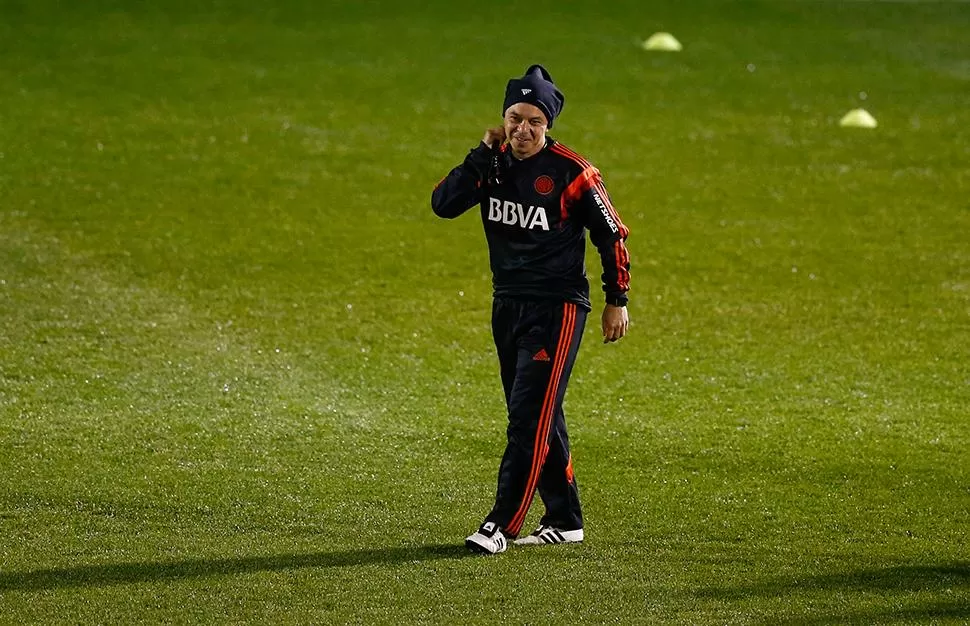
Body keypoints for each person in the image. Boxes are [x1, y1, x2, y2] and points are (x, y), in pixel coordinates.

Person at [431, 64, 631, 555]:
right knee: (540, 415)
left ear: (549, 125)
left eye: (534, 121)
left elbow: (613, 237)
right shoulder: (491, 163)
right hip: (507, 304)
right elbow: (443, 204)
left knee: (526, 420)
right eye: (515, 118)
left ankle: (502, 524)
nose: (523, 130)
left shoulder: (573, 173)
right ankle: (565, 519)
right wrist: (480, 155)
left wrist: (616, 301)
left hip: (558, 308)